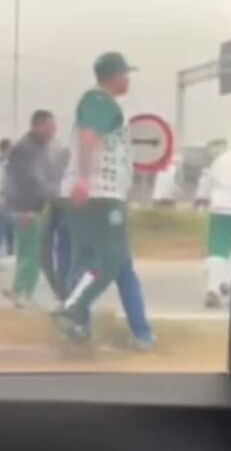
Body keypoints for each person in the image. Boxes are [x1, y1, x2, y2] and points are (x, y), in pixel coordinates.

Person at [52, 52, 155, 349]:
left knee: (96, 260)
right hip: (101, 195)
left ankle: (83, 326)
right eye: (126, 74)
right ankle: (75, 310)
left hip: (94, 195)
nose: (129, 79)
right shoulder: (99, 101)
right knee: (113, 261)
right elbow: (88, 138)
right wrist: (85, 179)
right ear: (116, 76)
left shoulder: (98, 102)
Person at [1, 110, 59, 308]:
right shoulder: (28, 149)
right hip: (29, 207)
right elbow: (26, 180)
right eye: (50, 126)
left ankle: (21, 291)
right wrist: (27, 208)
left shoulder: (37, 147)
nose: (54, 131)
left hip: (30, 206)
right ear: (38, 125)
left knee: (27, 252)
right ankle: (22, 292)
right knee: (34, 253)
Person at [202, 142, 231, 308]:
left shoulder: (222, 159)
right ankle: (228, 283)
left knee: (218, 250)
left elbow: (209, 183)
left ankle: (213, 288)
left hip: (221, 208)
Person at [40, 143, 73, 300]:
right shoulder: (60, 160)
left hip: (62, 208)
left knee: (62, 251)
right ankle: (64, 293)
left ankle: (64, 294)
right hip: (58, 208)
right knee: (61, 252)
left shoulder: (62, 158)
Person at [0, 138, 15, 256]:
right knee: (7, 223)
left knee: (10, 223)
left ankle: (10, 247)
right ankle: (8, 247)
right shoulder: (2, 165)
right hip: (5, 197)